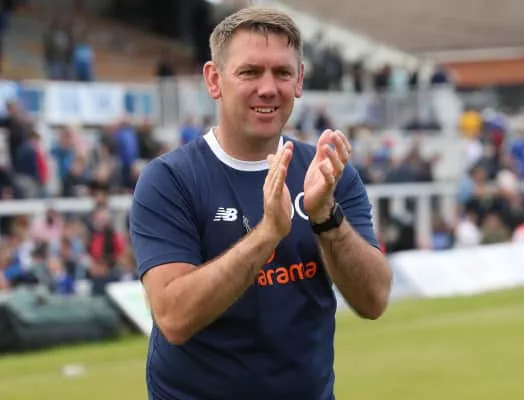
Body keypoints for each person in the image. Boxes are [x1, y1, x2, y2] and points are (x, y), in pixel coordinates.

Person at [129, 6, 392, 400]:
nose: (268, 88)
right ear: (214, 80)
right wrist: (267, 233)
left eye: (282, 73)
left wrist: (325, 218)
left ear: (299, 80)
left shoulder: (327, 172)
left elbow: (374, 300)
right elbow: (173, 317)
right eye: (250, 72)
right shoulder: (171, 179)